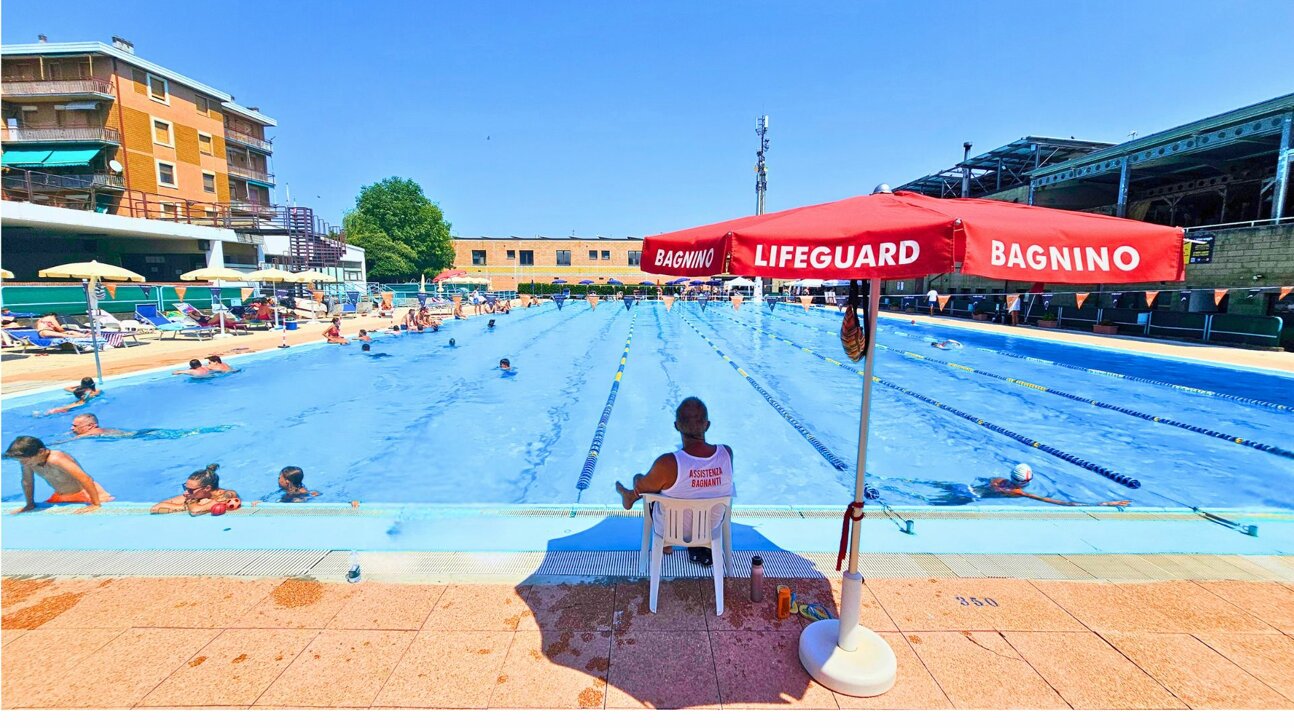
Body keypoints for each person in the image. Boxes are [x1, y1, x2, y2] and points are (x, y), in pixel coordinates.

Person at [614, 397, 734, 566]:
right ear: (707, 425)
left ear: (676, 426)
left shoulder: (668, 463)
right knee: (673, 486)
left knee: (648, 485)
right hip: (710, 530)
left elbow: (648, 488)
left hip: (671, 531)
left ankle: (664, 540)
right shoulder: (726, 453)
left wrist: (639, 482)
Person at [5, 436, 112, 513]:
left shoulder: (56, 459)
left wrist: (95, 504)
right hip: (61, 496)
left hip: (86, 494)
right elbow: (27, 482)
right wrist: (29, 504)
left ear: (41, 452)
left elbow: (85, 478)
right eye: (21, 461)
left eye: (25, 460)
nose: (23, 463)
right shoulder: (29, 462)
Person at [989, 463, 1129, 507]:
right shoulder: (1018, 492)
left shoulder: (998, 480)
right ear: (1028, 480)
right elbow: (1064, 503)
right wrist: (1104, 504)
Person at [151, 464, 240, 516]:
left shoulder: (226, 495)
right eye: (185, 488)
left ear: (207, 488)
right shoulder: (194, 494)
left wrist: (190, 502)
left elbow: (195, 511)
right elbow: (155, 508)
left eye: (190, 490)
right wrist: (186, 506)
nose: (186, 492)